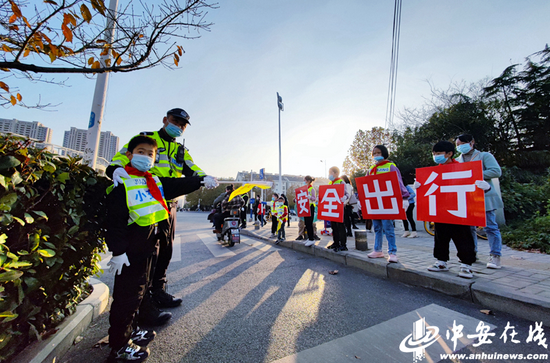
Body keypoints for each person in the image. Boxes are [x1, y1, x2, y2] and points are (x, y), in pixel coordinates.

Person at [107, 108, 218, 326]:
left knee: (165, 251)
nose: (179, 126)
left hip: (169, 204)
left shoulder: (180, 150)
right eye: (176, 121)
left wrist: (205, 178)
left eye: (183, 124)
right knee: (147, 254)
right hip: (145, 201)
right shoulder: (147, 139)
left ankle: (158, 292)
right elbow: (120, 159)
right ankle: (143, 303)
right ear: (165, 120)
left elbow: (192, 169)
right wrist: (113, 170)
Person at [105, 136, 208, 361]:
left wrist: (201, 180)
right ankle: (120, 346)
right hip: (131, 251)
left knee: (140, 292)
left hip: (149, 247)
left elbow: (177, 184)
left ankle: (132, 331)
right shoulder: (123, 180)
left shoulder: (153, 180)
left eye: (151, 154)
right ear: (130, 155)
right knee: (127, 297)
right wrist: (118, 251)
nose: (146, 157)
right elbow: (115, 220)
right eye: (141, 152)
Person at [416, 140, 489, 279]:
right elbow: (430, 190)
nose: (435, 156)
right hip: (441, 210)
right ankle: (441, 261)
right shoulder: (435, 171)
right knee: (440, 236)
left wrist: (486, 187)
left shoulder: (462, 168)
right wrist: (420, 186)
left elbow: (473, 187)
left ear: (449, 154)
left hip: (459, 210)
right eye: (434, 153)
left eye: (438, 153)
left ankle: (466, 265)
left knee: (463, 237)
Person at [455, 134, 505, 269]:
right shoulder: (457, 160)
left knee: (490, 226)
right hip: (466, 197)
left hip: (484, 195)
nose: (460, 147)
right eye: (458, 145)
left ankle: (495, 256)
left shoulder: (484, 156)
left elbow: (496, 171)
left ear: (472, 142)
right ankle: (471, 253)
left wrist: (475, 174)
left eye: (462, 143)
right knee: (469, 228)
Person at [366, 145, 409, 263]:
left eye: (379, 152)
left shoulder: (391, 166)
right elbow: (366, 184)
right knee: (377, 228)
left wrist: (404, 197)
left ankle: (392, 252)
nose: (376, 155)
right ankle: (377, 250)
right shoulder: (371, 169)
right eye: (374, 153)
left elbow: (399, 182)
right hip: (375, 202)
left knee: (388, 228)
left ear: (384, 153)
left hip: (387, 202)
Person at [325, 166, 350, 252]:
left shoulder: (341, 182)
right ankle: (336, 243)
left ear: (336, 173)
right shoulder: (330, 183)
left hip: (339, 208)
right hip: (332, 208)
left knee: (340, 226)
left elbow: (347, 194)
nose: (329, 175)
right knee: (333, 226)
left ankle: (343, 244)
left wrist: (344, 197)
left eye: (330, 172)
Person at [303, 175, 318, 247]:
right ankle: (309, 238)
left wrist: (310, 197)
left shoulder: (312, 189)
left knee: (309, 223)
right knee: (306, 223)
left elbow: (314, 198)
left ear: (308, 181)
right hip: (305, 207)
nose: (304, 182)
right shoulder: (305, 189)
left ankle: (311, 239)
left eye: (305, 180)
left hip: (310, 207)